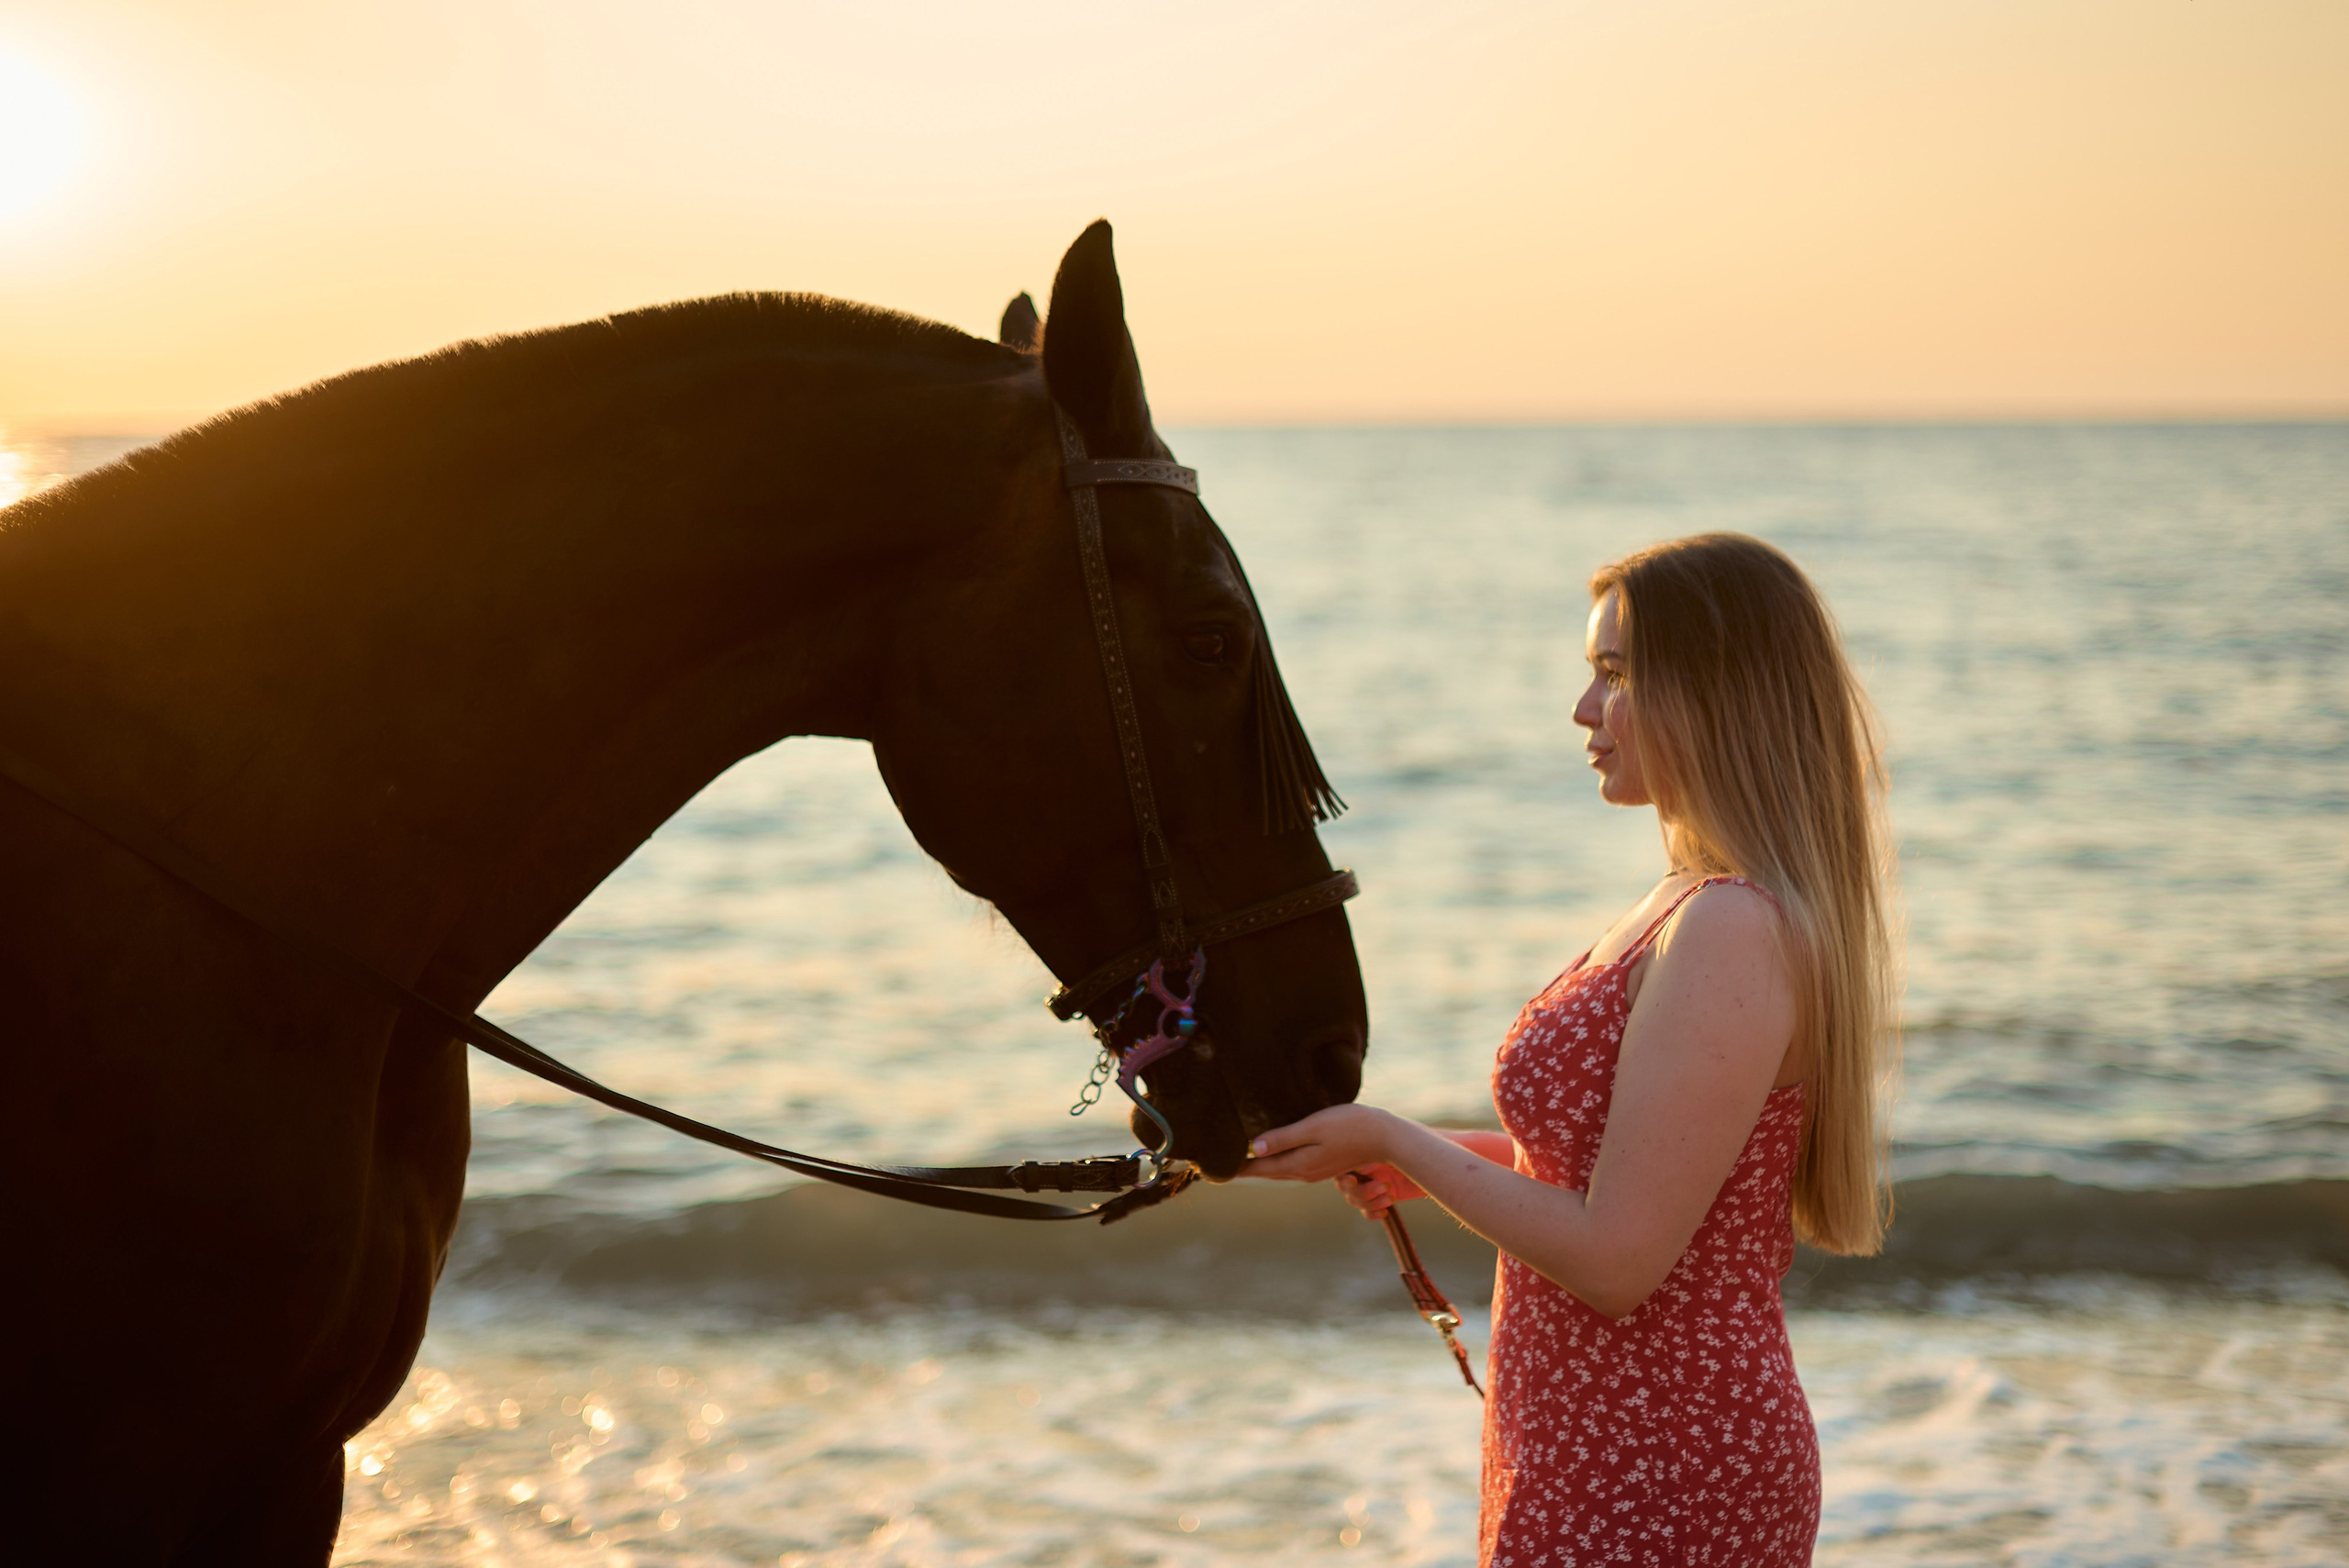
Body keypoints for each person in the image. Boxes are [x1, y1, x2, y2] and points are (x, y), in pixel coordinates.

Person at [1244, 532, 1897, 1567]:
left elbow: (1616, 1256)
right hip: (1596, 1440)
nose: (1585, 709)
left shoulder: (1728, 924)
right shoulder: (1686, 903)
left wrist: (1398, 1137)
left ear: (1714, 689)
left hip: (1658, 1457)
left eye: (1615, 672)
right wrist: (1437, 1161)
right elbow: (1632, 1170)